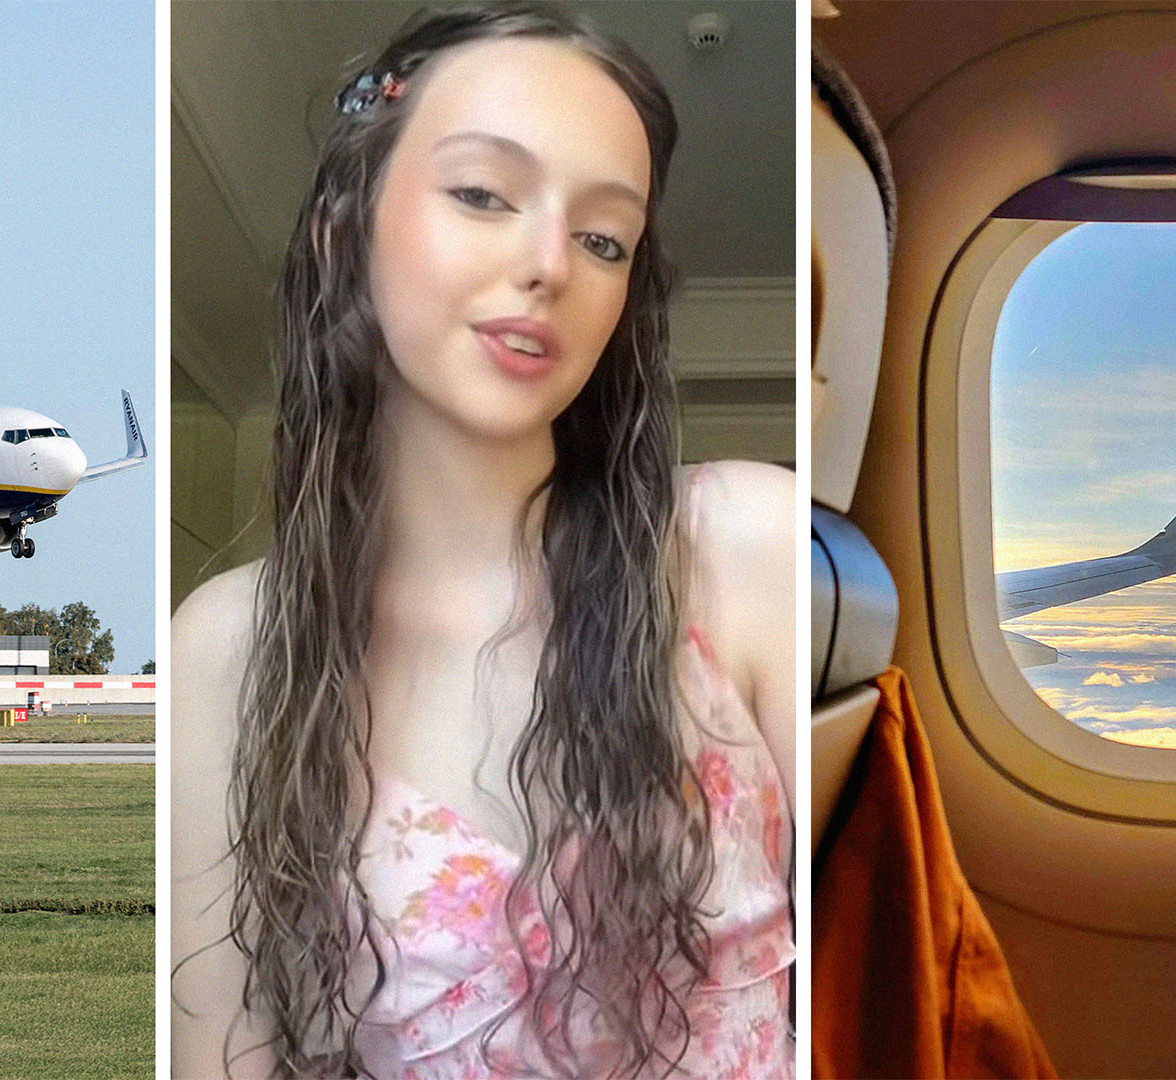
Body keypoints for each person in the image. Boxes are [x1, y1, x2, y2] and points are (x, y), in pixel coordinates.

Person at [172, 4, 795, 1076]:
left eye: (604, 239)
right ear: (344, 224)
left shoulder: (744, 548)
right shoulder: (225, 649)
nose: (549, 262)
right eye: (481, 194)